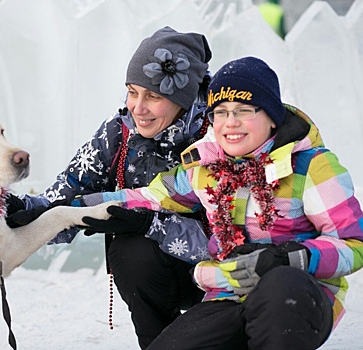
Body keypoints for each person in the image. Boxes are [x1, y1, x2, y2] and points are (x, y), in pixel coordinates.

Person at [77, 56, 363, 349]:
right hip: (228, 292)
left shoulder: (311, 166)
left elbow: (355, 244)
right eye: (221, 112)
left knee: (280, 285)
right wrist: (67, 210)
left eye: (244, 111)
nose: (231, 123)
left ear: (273, 116)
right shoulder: (205, 166)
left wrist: (292, 257)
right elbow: (148, 197)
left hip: (298, 296)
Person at [5, 26, 213, 349]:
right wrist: (26, 212)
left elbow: (233, 237)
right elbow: (68, 192)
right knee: (131, 251)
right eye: (132, 91)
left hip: (221, 275)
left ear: (182, 99)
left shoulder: (220, 137)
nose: (137, 107)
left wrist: (151, 223)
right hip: (159, 275)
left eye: (153, 96)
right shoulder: (119, 133)